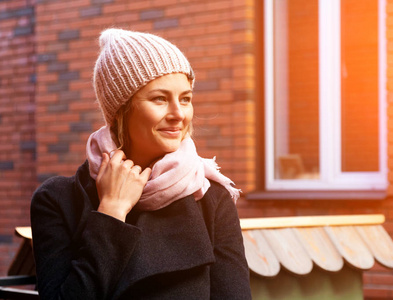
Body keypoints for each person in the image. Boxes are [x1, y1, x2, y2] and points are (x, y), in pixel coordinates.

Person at [30, 28, 252, 300]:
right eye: (160, 99)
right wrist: (111, 211)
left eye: (185, 99)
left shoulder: (209, 198)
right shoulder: (58, 201)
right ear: (121, 109)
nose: (179, 114)